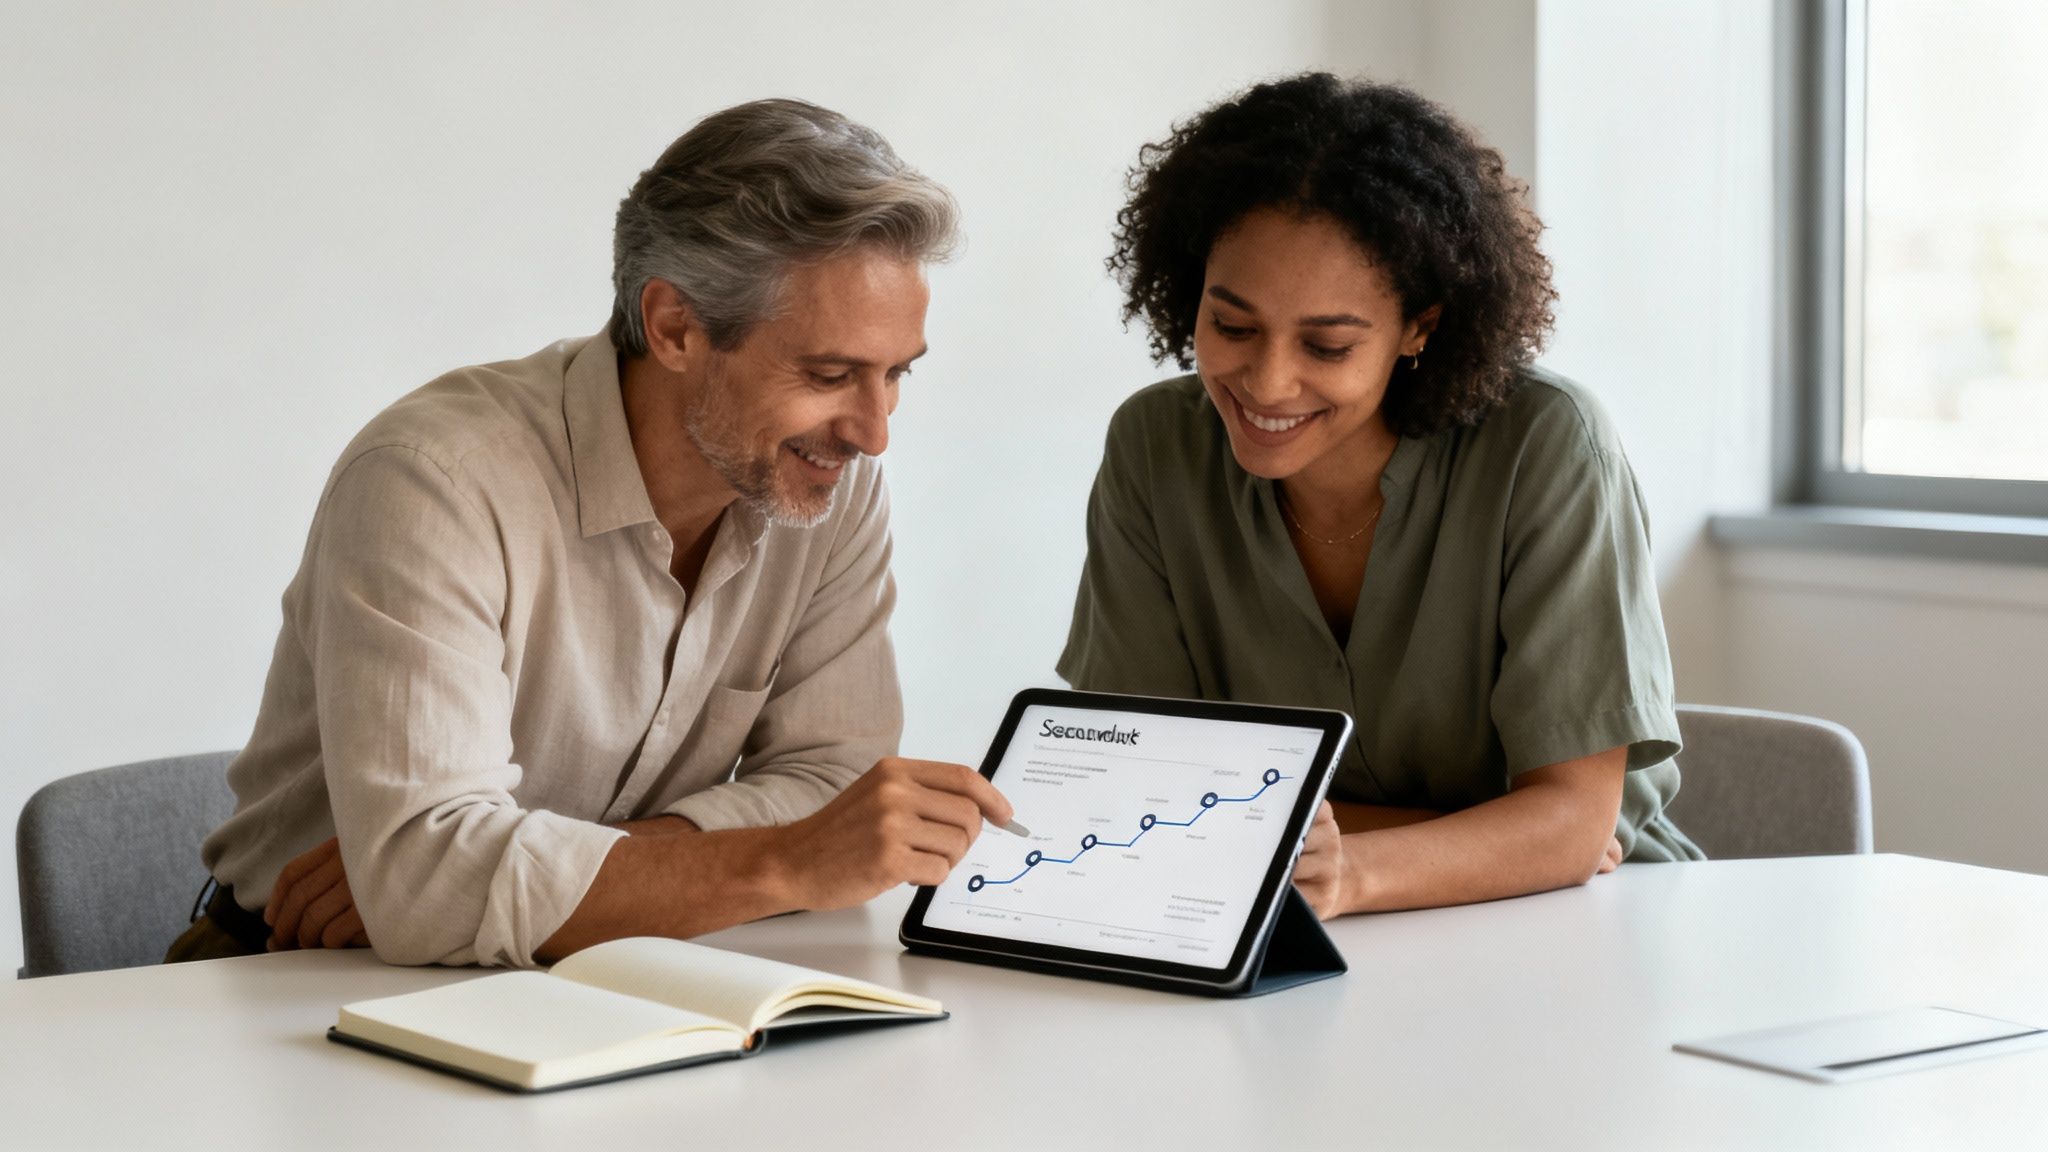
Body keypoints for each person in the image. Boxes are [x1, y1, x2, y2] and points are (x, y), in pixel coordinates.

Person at [167, 98, 1012, 969]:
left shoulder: (827, 481)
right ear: (675, 327)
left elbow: (834, 781)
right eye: (831, 374)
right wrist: (784, 859)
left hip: (599, 967)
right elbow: (424, 891)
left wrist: (511, 869)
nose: (873, 431)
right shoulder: (435, 479)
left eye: (895, 374)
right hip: (299, 973)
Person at [1060, 73, 1703, 921]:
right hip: (1283, 920)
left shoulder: (1546, 445)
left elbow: (1572, 830)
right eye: (1233, 326)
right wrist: (1475, 834)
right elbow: (1141, 788)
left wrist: (1350, 863)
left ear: (1421, 327)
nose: (1267, 381)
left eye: (1327, 345)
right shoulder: (1155, 449)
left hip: (1582, 923)